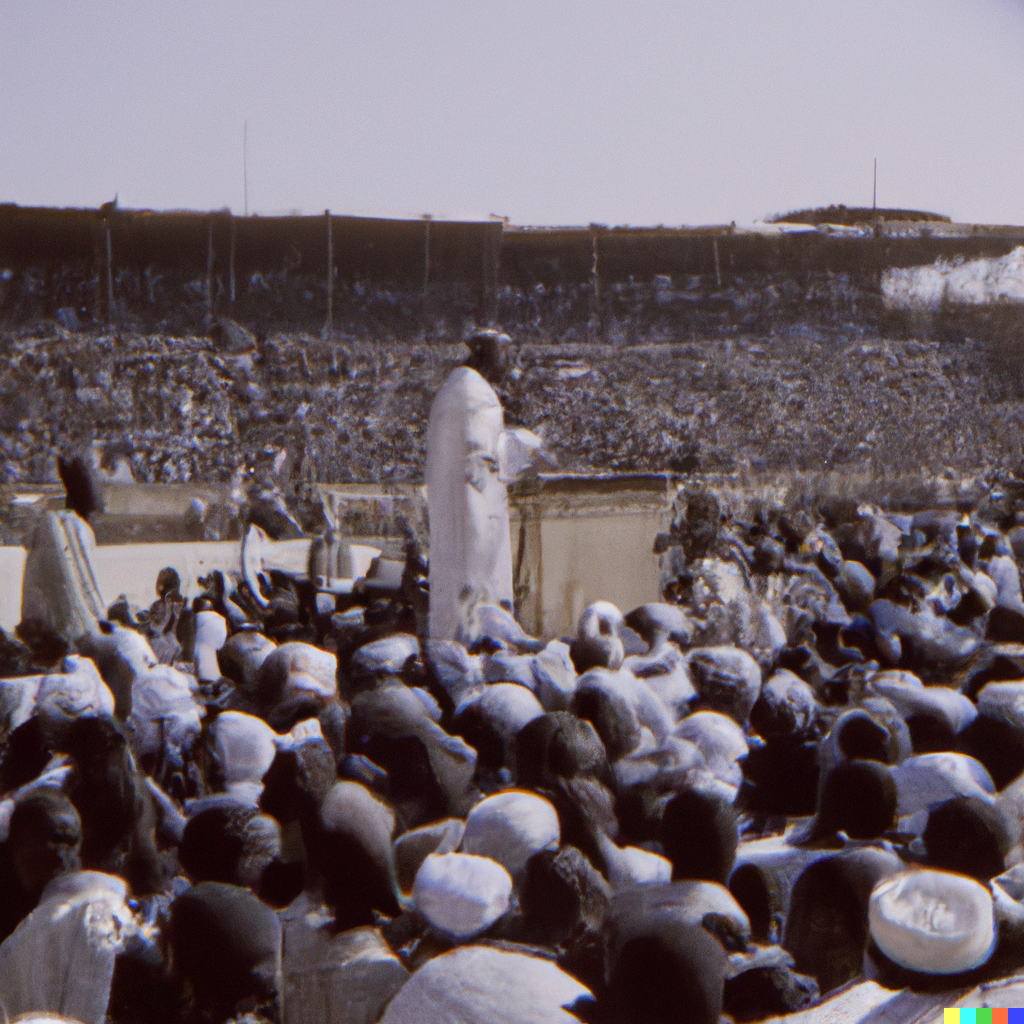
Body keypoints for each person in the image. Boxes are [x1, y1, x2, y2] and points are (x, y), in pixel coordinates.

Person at [425, 330, 543, 642]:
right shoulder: (473, 396)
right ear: (487, 356)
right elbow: (482, 463)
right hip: (473, 516)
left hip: (462, 514)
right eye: (503, 355)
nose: (507, 365)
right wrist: (529, 446)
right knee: (476, 595)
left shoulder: (459, 390)